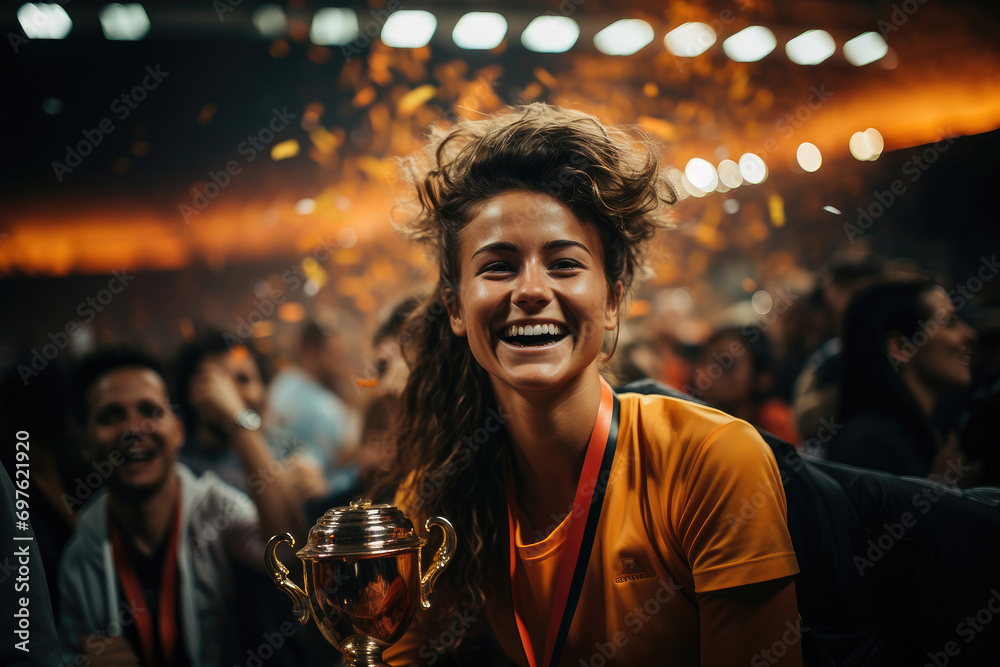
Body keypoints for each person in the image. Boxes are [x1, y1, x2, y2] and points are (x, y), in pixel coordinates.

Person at [376, 104, 802, 666]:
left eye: (565, 264)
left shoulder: (711, 460)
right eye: (497, 266)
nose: (530, 290)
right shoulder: (439, 492)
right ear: (456, 307)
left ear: (613, 300)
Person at [57, 347, 305, 666]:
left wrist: (238, 421)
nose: (134, 429)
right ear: (85, 443)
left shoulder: (214, 508)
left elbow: (291, 553)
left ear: (177, 432)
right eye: (111, 416)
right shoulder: (78, 557)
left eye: (150, 411)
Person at [827, 279, 977, 478]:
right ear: (902, 348)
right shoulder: (869, 444)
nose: (970, 334)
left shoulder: (927, 435)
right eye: (950, 323)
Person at [175, 331, 327, 503]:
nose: (228, 395)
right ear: (191, 391)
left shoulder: (288, 455)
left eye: (243, 379)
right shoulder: (176, 464)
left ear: (264, 392)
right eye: (217, 380)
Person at [267, 318, 363, 502]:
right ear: (310, 351)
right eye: (335, 355)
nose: (342, 364)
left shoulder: (280, 385)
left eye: (344, 356)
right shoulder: (325, 406)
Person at [690, 325, 799, 444]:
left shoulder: (774, 423)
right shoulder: (688, 412)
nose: (706, 375)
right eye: (703, 360)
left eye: (727, 364)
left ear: (763, 377)